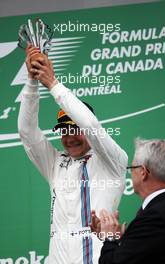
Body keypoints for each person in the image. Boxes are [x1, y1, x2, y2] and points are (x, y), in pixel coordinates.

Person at [18, 45, 128, 264]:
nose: (69, 138)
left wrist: (52, 83)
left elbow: (90, 123)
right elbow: (26, 131)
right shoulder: (55, 163)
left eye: (75, 130)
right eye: (64, 132)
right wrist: (32, 81)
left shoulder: (112, 160)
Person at [91, 138, 165, 264]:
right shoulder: (164, 209)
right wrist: (122, 240)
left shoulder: (154, 218)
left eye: (131, 168)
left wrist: (110, 237)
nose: (130, 173)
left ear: (143, 172)